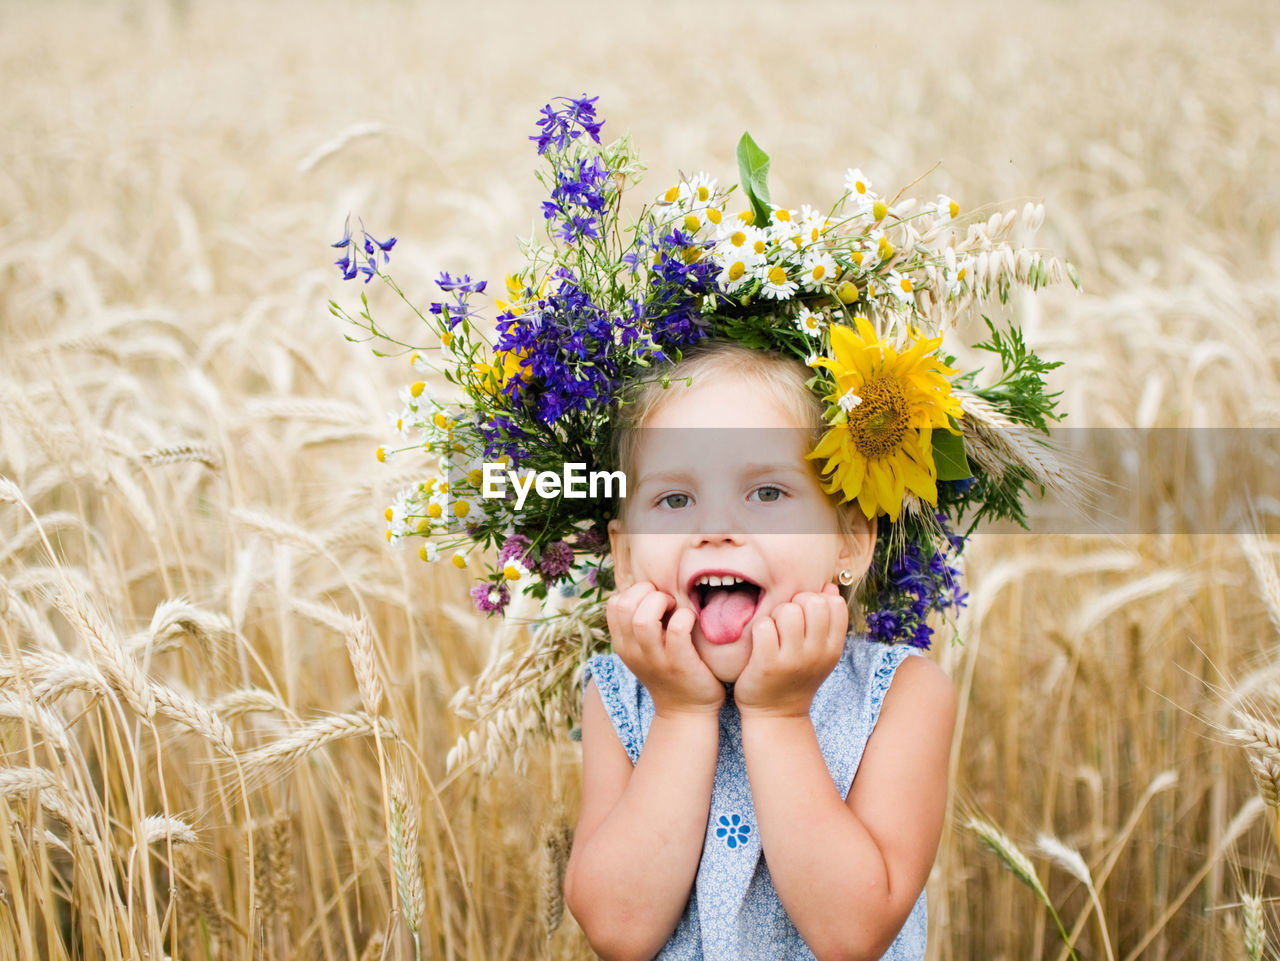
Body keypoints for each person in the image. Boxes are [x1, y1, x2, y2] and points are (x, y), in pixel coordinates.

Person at [563, 341, 958, 961]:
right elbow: (617, 929)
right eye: (674, 500)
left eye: (767, 493)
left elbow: (853, 933)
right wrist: (680, 712)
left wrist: (779, 715)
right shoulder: (619, 694)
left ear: (849, 541)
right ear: (625, 555)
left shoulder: (901, 694)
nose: (716, 527)